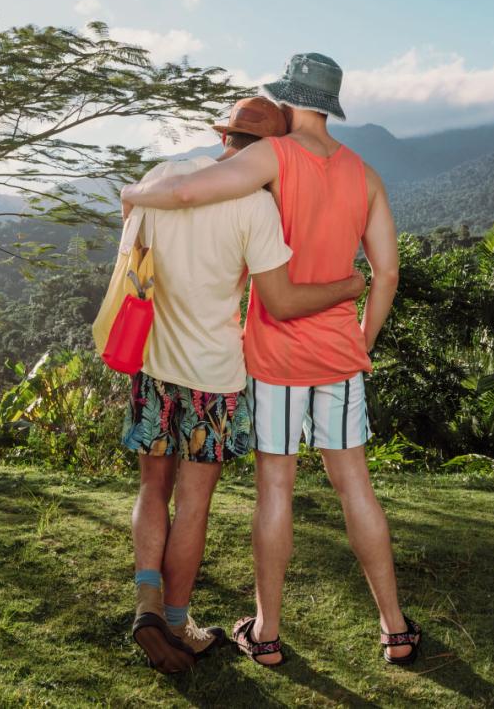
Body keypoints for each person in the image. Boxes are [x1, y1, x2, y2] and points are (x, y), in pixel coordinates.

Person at [121, 53, 422, 667]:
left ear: (287, 101)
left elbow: (180, 197)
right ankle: (393, 628)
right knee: (356, 488)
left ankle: (265, 633)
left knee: (273, 490)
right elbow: (386, 270)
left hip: (270, 356)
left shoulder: (272, 158)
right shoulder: (364, 174)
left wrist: (131, 193)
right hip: (335, 353)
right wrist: (360, 337)